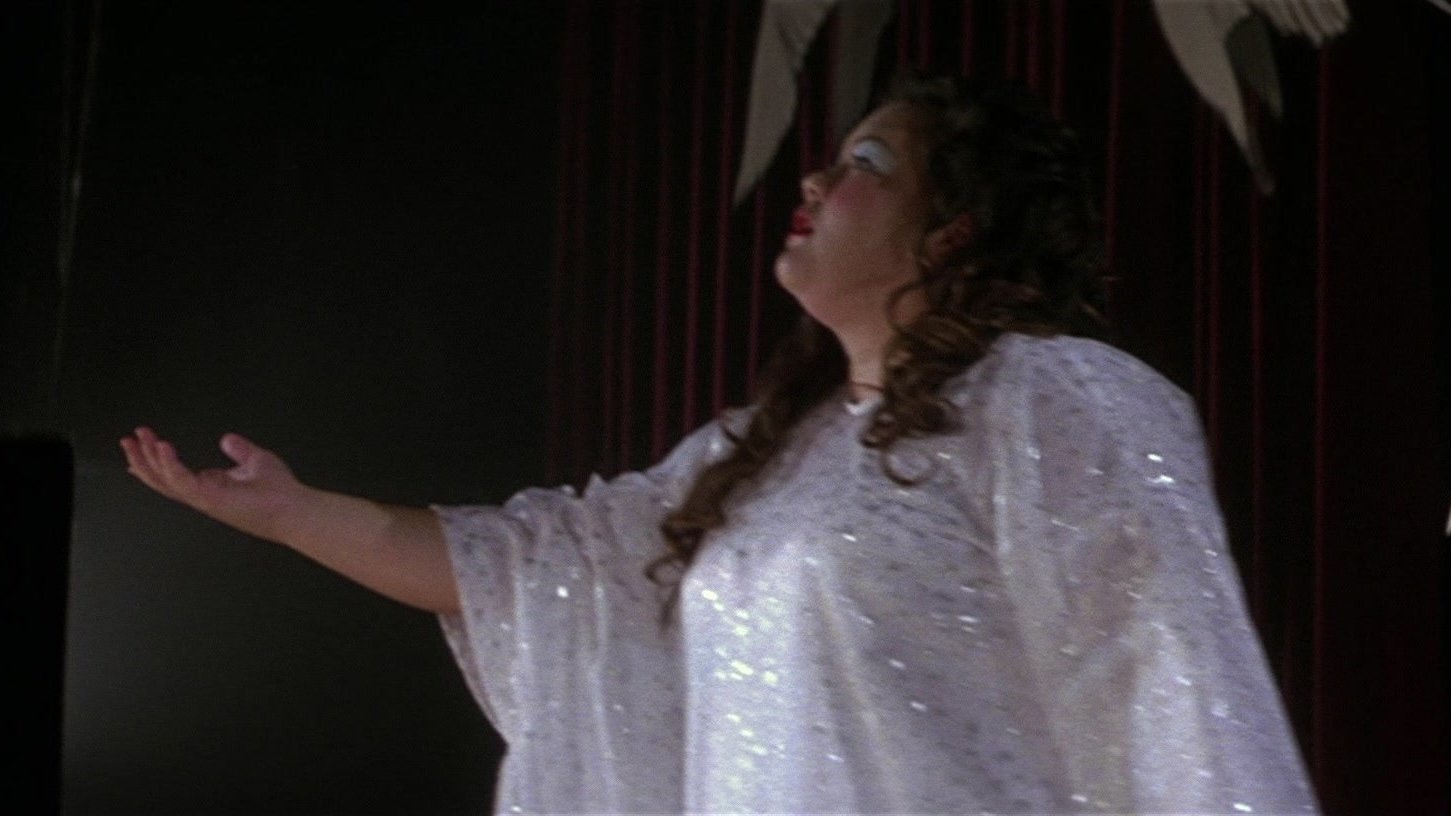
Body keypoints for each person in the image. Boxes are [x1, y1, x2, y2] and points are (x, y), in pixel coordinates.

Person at [121, 75, 1318, 814]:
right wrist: (290, 512)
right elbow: (535, 571)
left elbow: (1169, 684)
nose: (817, 176)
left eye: (866, 164)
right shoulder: (755, 456)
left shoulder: (1054, 398)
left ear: (953, 229)